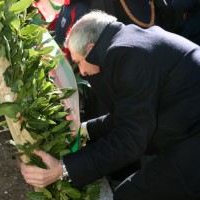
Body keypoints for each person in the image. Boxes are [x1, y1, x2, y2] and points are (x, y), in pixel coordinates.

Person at [20, 10, 200, 199]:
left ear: (90, 48)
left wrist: (62, 169)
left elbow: (129, 139)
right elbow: (127, 116)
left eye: (79, 62)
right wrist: (83, 130)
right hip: (189, 132)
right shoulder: (130, 41)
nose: (81, 72)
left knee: (130, 194)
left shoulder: (126, 53)